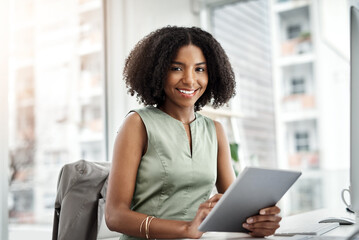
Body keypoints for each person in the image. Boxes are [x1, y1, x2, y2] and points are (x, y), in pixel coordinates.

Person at [105, 26, 281, 240]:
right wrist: (186, 229)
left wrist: (258, 222)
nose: (189, 80)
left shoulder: (214, 130)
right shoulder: (137, 124)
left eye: (200, 69)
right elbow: (114, 216)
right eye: (177, 68)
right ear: (158, 71)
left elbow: (234, 209)